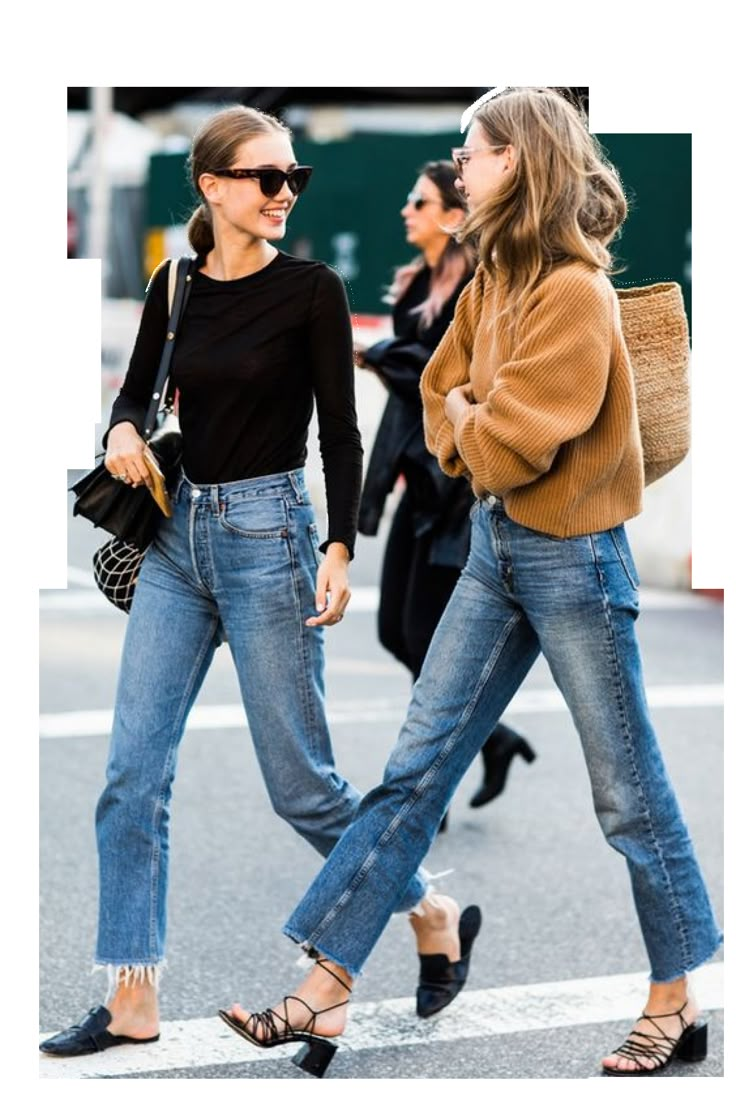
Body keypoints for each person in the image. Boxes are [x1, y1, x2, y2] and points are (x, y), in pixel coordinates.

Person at [219, 88, 722, 1078]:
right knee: (414, 770)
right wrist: (463, 411)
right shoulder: (491, 276)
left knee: (625, 792)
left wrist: (463, 413)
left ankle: (674, 997)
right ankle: (325, 985)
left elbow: (501, 446)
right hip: (495, 553)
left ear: (517, 163)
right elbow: (441, 402)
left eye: (473, 149)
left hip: (576, 557)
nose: (460, 161)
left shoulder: (573, 294)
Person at [41, 105, 458, 1060]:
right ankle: (131, 995)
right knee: (130, 776)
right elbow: (134, 393)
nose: (283, 194)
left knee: (304, 789)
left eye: (292, 180)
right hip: (178, 540)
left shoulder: (311, 290)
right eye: (267, 178)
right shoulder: (175, 283)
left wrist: (343, 549)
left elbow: (343, 432)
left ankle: (428, 906)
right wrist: (119, 432)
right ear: (214, 186)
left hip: (273, 537)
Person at [355, 160, 535, 830]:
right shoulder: (420, 284)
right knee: (396, 631)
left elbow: (441, 379)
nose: (407, 209)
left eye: (418, 199)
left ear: (454, 216)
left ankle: (428, 790)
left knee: (424, 634)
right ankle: (493, 740)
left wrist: (377, 356)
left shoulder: (471, 292)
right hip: (419, 478)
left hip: (456, 488)